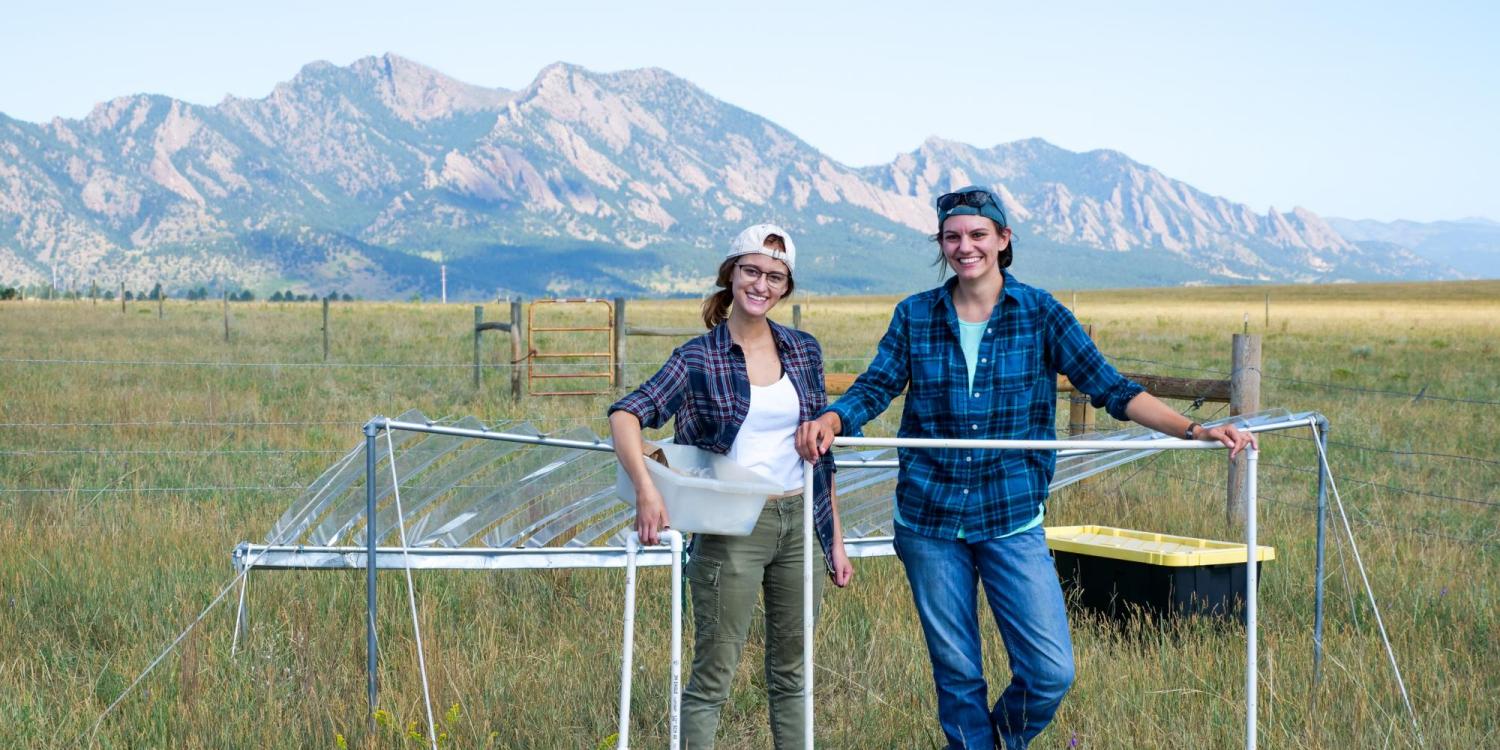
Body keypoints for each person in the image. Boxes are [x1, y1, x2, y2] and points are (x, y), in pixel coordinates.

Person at [796, 186, 1255, 750]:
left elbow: (1110, 387)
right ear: (941, 244)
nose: (965, 247)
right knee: (958, 674)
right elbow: (877, 385)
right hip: (928, 519)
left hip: (1011, 514)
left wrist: (1194, 429)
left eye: (977, 235)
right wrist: (836, 418)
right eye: (953, 237)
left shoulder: (1041, 313)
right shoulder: (914, 314)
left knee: (1048, 672)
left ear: (1003, 239)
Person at [609, 223, 854, 749]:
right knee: (715, 673)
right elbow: (627, 414)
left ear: (785, 287)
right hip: (732, 525)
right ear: (731, 275)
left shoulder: (804, 351)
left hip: (800, 525)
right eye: (751, 271)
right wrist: (648, 492)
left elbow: (820, 451)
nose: (760, 284)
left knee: (793, 673)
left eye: (774, 276)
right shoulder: (697, 357)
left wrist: (834, 538)